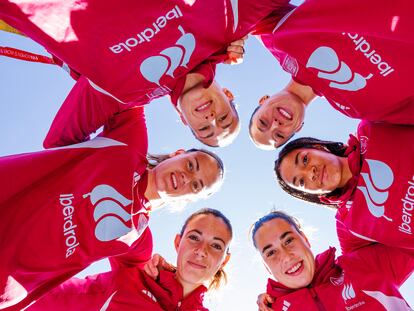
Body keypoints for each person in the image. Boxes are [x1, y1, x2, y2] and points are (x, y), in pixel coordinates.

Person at [0, 107, 224, 310]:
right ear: (178, 153)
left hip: (7, 286)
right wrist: (185, 90)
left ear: (189, 198)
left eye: (197, 185)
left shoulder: (139, 242)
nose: (187, 177)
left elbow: (139, 285)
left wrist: (163, 273)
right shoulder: (129, 143)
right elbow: (121, 78)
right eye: (191, 164)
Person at [0, 0, 294, 146]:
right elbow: (302, 23)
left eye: (205, 129)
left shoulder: (123, 93)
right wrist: (257, 29)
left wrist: (136, 177)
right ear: (228, 95)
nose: (211, 119)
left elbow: (59, 147)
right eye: (225, 119)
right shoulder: (225, 28)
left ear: (182, 119)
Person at [249, 0, 414, 149]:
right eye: (279, 135)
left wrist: (231, 41)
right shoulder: (355, 108)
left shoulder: (278, 40)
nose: (275, 124)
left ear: (263, 100)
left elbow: (240, 14)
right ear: (298, 128)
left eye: (263, 122)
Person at [26, 208, 232, 311]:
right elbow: (122, 202)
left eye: (216, 245)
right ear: (178, 243)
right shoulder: (139, 265)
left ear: (224, 261)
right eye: (194, 237)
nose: (201, 250)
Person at [274, 121, 414, 255]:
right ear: (308, 193)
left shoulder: (372, 127)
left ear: (318, 147)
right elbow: (361, 274)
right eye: (302, 182)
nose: (311, 173)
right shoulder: (348, 227)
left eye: (305, 160)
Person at [252, 210, 414, 311]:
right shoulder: (272, 309)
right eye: (271, 252)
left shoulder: (363, 264)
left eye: (288, 241)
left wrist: (346, 210)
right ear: (267, 267)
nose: (286, 256)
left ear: (305, 239)